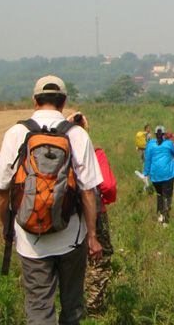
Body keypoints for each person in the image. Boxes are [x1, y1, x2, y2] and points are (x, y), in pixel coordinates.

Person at [0, 75, 103, 324]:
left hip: (31, 242)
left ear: (34, 101)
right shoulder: (77, 135)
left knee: (39, 308)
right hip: (72, 237)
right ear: (64, 102)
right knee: (72, 307)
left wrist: (7, 227)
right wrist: (93, 236)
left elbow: (0, 188)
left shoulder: (17, 133)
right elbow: (88, 191)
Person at [67, 112, 116, 315]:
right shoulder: (95, 153)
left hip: (65, 217)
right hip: (94, 213)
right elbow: (108, 186)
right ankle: (93, 309)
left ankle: (72, 305)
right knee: (99, 259)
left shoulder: (59, 153)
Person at [144, 125, 174, 226]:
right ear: (164, 134)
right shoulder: (169, 143)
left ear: (155, 134)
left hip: (155, 176)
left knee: (159, 195)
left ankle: (160, 215)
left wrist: (146, 173)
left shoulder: (150, 145)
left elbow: (148, 160)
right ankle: (166, 219)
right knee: (167, 196)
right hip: (168, 174)